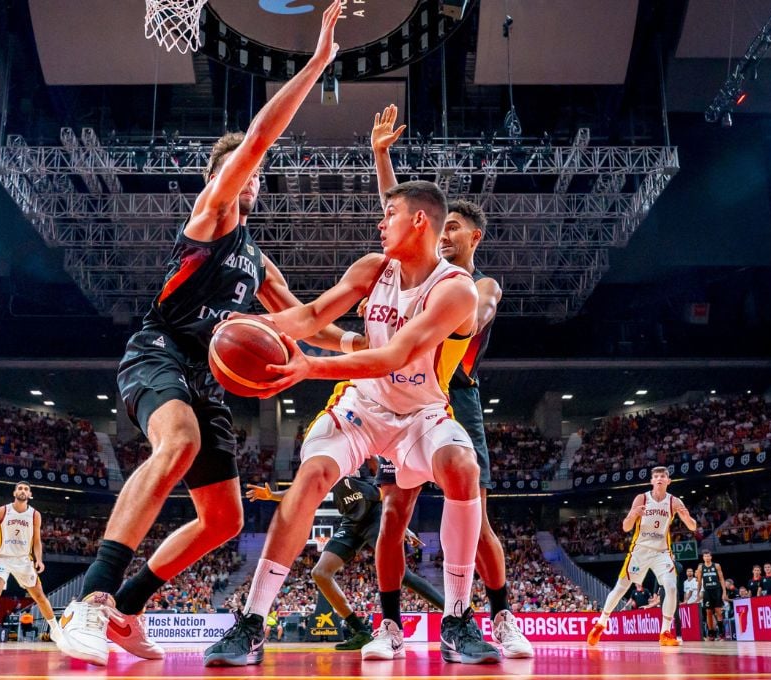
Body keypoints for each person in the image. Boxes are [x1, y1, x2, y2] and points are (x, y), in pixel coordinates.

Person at [57, 0, 357, 666]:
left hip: (205, 376)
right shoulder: (212, 212)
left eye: (250, 178)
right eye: (238, 172)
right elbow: (255, 143)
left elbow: (306, 322)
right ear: (224, 178)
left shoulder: (258, 261)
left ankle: (128, 609)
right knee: (180, 442)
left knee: (224, 519)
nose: (247, 180)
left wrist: (364, 349)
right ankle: (91, 599)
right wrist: (316, 64)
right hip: (159, 352)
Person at [203, 178, 499, 666]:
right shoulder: (371, 268)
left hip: (421, 412)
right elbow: (312, 315)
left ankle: (458, 619)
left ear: (418, 220)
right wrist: (245, 327)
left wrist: (310, 367)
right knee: (312, 476)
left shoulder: (457, 291)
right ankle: (252, 621)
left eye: (390, 215)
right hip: (362, 405)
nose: (380, 225)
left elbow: (395, 354)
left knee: (462, 467)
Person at [368, 104, 531, 660]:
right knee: (396, 512)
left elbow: (481, 308)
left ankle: (499, 616)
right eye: (442, 228)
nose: (444, 236)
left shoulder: (477, 286)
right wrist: (383, 158)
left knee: (475, 515)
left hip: (455, 395)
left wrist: (462, 325)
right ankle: (388, 626)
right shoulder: (422, 270)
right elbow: (403, 219)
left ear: (473, 237)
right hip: (404, 391)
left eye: (454, 229)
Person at [244, 462, 445, 651]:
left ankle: (452, 613)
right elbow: (301, 493)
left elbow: (390, 493)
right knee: (321, 573)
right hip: (351, 523)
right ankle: (360, 631)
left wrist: (402, 527)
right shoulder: (330, 464)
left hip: (376, 518)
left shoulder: (367, 455)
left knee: (402, 575)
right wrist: (272, 496)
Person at [586, 467, 697, 648]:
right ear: (651, 481)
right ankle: (601, 623)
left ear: (668, 481)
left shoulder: (674, 501)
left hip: (662, 552)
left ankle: (665, 632)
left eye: (663, 476)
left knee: (671, 587)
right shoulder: (642, 498)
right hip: (640, 550)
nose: (659, 479)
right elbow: (626, 527)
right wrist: (634, 514)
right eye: (656, 476)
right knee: (621, 587)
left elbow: (692, 527)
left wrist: (686, 516)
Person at [0, 482, 62, 648]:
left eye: (26, 489)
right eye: (20, 488)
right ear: (14, 492)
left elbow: (37, 541)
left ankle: (56, 631)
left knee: (39, 595)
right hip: (3, 558)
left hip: (24, 559)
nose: (23, 491)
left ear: (30, 494)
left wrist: (38, 559)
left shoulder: (34, 515)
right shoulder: (1, 511)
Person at [696, 550, 728, 641]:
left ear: (711, 557)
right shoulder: (700, 567)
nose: (707, 558)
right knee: (708, 612)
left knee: (718, 611)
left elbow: (721, 579)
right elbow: (699, 582)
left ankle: (721, 633)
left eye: (708, 556)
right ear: (703, 558)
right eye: (705, 556)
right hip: (707, 591)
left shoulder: (716, 565)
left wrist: (724, 592)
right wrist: (698, 593)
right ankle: (711, 633)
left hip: (716, 590)